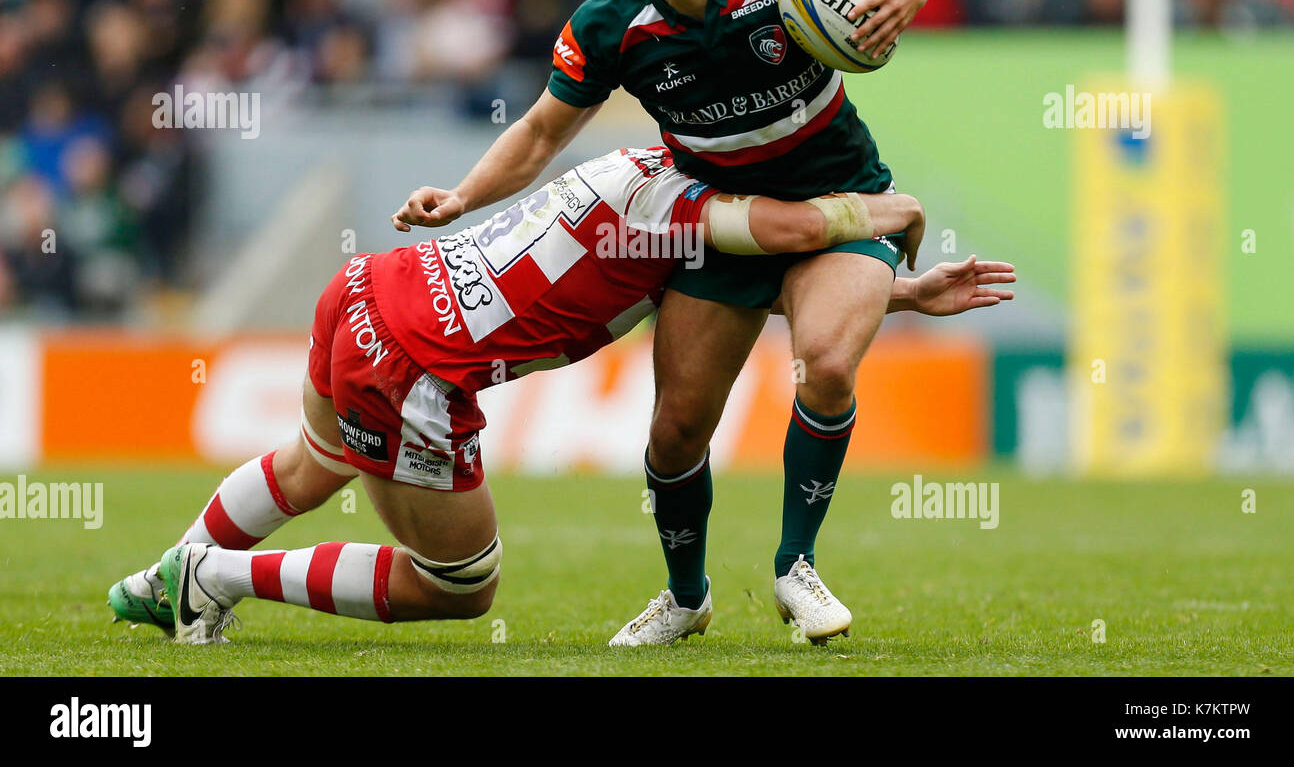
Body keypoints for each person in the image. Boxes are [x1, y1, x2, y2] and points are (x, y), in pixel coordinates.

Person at [109, 146, 987, 643]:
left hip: (368, 289)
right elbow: (791, 230)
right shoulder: (685, 207)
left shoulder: (641, 161)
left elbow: (764, 270)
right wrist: (890, 212)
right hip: (416, 367)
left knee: (310, 463)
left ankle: (160, 580)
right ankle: (212, 575)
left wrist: (903, 294)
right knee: (459, 586)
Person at [400, 0, 939, 644]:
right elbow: (544, 131)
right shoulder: (613, 20)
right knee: (676, 429)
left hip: (846, 200)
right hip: (720, 224)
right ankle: (686, 597)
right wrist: (463, 197)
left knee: (825, 361)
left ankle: (797, 568)